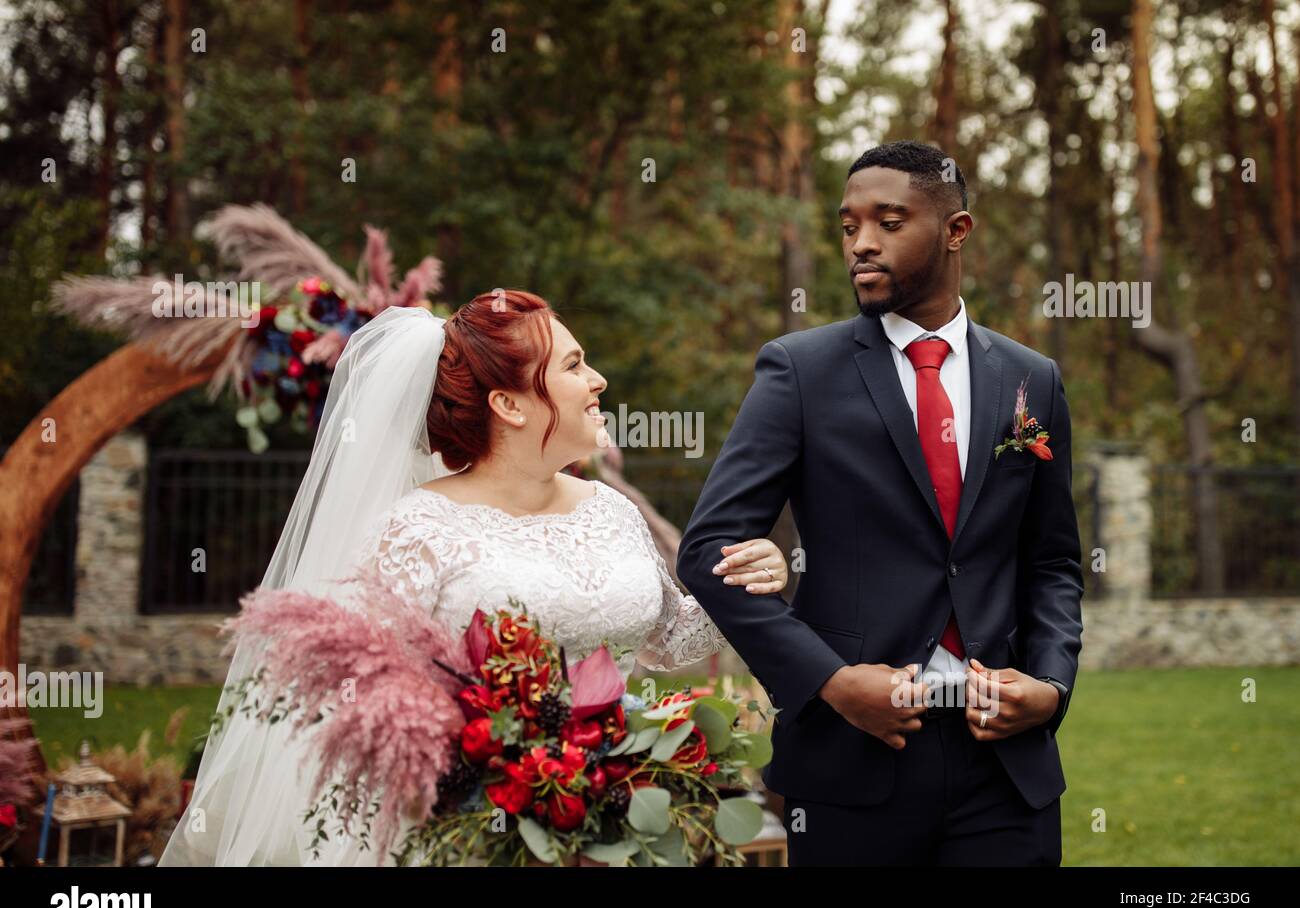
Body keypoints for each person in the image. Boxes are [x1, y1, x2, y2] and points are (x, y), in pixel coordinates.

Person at [159, 289, 785, 866]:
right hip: (469, 835)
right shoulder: (419, 531)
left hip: (611, 823)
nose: (596, 381)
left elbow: (670, 642)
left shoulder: (610, 510)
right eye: (572, 366)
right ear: (508, 404)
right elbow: (368, 712)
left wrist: (748, 576)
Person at [677, 141, 1083, 866]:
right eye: (847, 226)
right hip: (851, 765)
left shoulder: (1032, 379)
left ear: (956, 230)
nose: (861, 243)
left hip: (1008, 774)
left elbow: (1051, 561)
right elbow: (707, 553)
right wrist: (831, 682)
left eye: (888, 221)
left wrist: (1051, 687)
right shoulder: (798, 371)